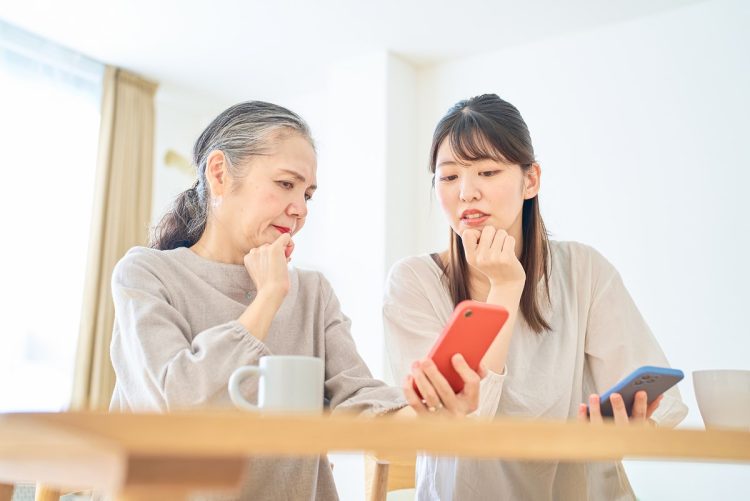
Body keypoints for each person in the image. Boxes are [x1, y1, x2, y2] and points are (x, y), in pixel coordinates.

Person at [384, 94, 688, 500]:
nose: (467, 192)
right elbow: (461, 421)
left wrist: (633, 426)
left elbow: (657, 398)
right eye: (449, 176)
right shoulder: (414, 282)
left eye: (488, 172)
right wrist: (506, 288)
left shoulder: (583, 269)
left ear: (531, 180)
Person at [109, 101, 409, 500]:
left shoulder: (313, 292)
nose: (300, 210)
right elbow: (178, 406)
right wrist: (268, 297)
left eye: (308, 194)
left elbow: (359, 398)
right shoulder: (146, 275)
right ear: (219, 174)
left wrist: (425, 407)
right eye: (286, 184)